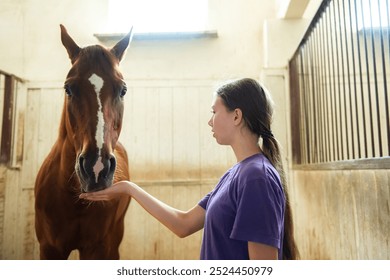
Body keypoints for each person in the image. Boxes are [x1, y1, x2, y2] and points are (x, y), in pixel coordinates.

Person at [80, 78, 299, 260]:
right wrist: (129, 188)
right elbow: (183, 224)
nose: (210, 121)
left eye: (214, 112)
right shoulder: (237, 174)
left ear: (236, 116)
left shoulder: (256, 177)